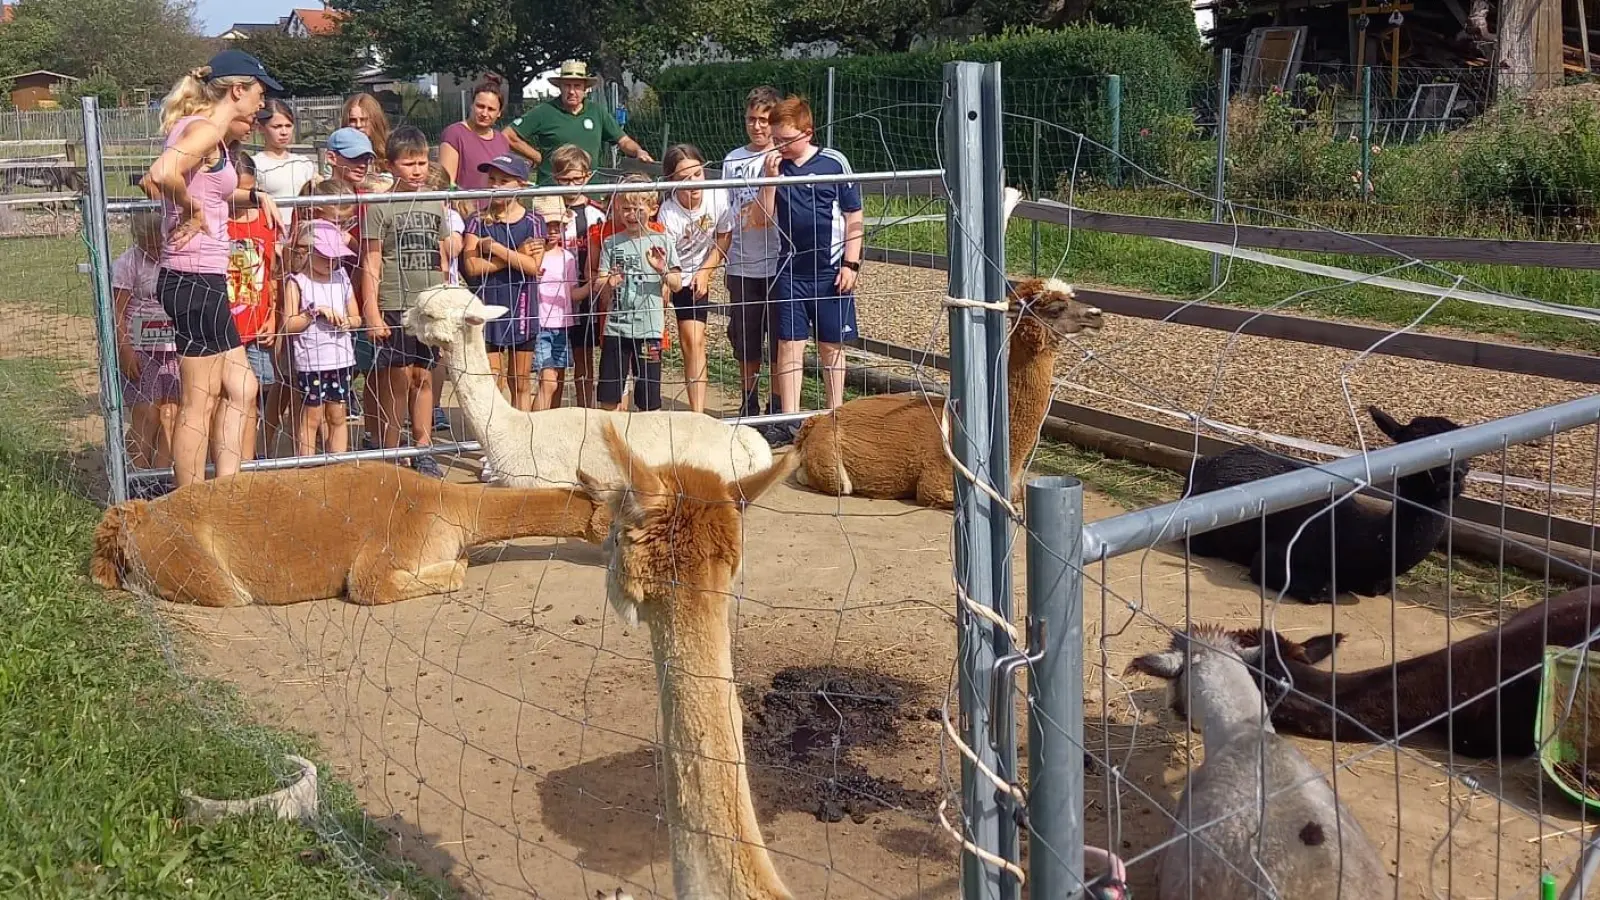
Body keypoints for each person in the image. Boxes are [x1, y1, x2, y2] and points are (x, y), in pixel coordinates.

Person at [143, 48, 283, 487]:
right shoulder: (203, 129)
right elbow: (160, 174)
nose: (262, 103)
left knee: (243, 387)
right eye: (260, 93)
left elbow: (206, 189)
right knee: (199, 401)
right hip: (192, 279)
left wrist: (255, 196)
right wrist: (191, 210)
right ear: (237, 90)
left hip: (205, 279)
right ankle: (191, 501)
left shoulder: (210, 136)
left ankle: (226, 491)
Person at [754, 96, 864, 444]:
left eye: (786, 139)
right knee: (789, 345)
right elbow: (762, 219)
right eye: (776, 140)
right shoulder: (773, 166)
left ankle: (836, 417)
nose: (780, 146)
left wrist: (851, 263)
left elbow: (854, 216)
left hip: (831, 271)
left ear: (807, 132)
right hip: (791, 271)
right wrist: (770, 179)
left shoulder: (834, 162)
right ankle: (791, 421)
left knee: (831, 345)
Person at [361, 126, 457, 477]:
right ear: (390, 166)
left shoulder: (435, 202)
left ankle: (423, 448)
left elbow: (442, 256)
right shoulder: (379, 206)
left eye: (421, 163)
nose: (417, 171)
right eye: (408, 164)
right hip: (394, 303)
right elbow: (371, 262)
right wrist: (372, 312)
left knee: (424, 377)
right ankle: (392, 451)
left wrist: (445, 299)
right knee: (397, 379)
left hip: (428, 305)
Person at [707, 85, 782, 418]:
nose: (757, 126)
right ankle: (748, 401)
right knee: (745, 338)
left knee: (780, 339)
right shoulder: (733, 159)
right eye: (752, 119)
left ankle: (778, 404)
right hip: (740, 262)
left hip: (778, 261)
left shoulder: (781, 156)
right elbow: (725, 206)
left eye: (764, 120)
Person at [465, 154, 546, 419]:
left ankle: (522, 432)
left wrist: (496, 249)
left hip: (522, 307)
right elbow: (472, 267)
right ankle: (493, 432)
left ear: (520, 184)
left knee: (520, 382)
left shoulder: (534, 221)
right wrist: (515, 255)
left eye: (503, 180)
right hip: (487, 307)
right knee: (493, 381)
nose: (495, 185)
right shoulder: (477, 221)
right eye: (492, 179)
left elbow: (533, 266)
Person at [657, 143, 729, 415]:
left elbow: (724, 236)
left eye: (697, 174)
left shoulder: (717, 197)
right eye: (684, 178)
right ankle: (644, 400)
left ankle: (697, 413)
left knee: (694, 340)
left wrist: (706, 271)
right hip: (669, 274)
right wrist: (665, 284)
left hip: (697, 275)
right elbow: (664, 255)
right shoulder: (668, 213)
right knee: (650, 342)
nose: (693, 183)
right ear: (672, 181)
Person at [596, 184, 679, 413]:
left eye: (637, 209)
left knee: (649, 399)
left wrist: (662, 270)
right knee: (609, 395)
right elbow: (599, 283)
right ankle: (611, 434)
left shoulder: (663, 241)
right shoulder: (611, 243)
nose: (631, 215)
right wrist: (608, 282)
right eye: (626, 209)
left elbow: (677, 283)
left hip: (649, 330)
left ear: (653, 209)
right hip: (616, 329)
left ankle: (649, 435)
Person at [283, 219, 361, 457]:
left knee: (337, 415)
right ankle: (307, 465)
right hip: (311, 362)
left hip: (341, 360)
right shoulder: (297, 282)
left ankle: (339, 463)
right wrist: (313, 313)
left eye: (334, 256)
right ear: (306, 252)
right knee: (312, 416)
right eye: (324, 256)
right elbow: (288, 325)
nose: (330, 261)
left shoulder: (342, 278)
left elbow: (356, 318)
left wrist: (347, 322)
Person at [504, 59, 654, 184]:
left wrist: (638, 151)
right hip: (551, 192)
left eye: (577, 86)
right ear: (560, 87)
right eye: (567, 85)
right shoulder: (544, 111)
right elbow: (508, 135)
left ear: (585, 88)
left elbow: (623, 141)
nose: (571, 91)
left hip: (588, 193)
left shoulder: (597, 112)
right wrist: (537, 156)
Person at [112, 210, 179, 479]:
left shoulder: (174, 258)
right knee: (147, 414)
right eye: (148, 243)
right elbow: (117, 311)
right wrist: (125, 349)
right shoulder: (128, 263)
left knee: (170, 414)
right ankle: (139, 476)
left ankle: (160, 478)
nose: (154, 249)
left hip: (173, 348)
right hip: (141, 348)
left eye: (158, 242)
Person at [224, 147, 278, 461]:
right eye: (236, 193)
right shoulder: (216, 221)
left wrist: (273, 316)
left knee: (256, 392)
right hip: (224, 324)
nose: (242, 200)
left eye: (248, 191)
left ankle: (249, 458)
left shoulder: (266, 220)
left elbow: (274, 273)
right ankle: (231, 458)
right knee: (227, 396)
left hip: (258, 324)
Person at [549, 144, 607, 408]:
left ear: (587, 176)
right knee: (554, 362)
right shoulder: (547, 212)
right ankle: (553, 416)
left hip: (587, 296)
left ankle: (586, 412)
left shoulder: (596, 214)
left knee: (585, 358)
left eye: (577, 179)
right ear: (555, 178)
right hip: (554, 297)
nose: (571, 185)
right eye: (565, 180)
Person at [439, 75, 512, 194]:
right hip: (465, 204)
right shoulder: (454, 135)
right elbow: (446, 184)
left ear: (499, 113)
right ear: (471, 105)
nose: (484, 113)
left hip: (495, 204)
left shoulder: (502, 140)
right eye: (480, 106)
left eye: (491, 109)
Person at [252, 99, 317, 228]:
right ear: (261, 128)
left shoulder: (304, 163)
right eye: (277, 127)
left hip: (302, 231)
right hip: (271, 229)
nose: (284, 132)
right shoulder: (254, 164)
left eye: (288, 126)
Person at [334, 93, 393, 189]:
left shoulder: (391, 149)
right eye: (352, 120)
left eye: (363, 120)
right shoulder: (337, 151)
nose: (358, 125)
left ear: (375, 121)